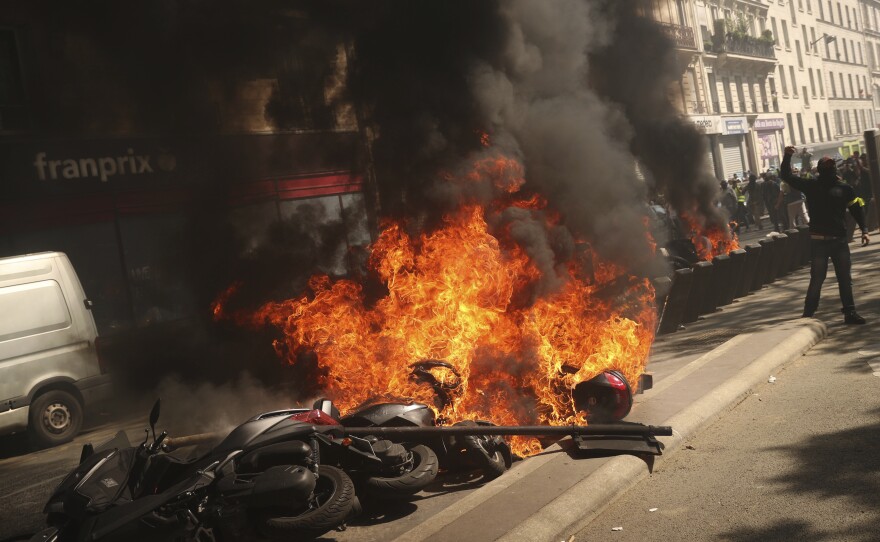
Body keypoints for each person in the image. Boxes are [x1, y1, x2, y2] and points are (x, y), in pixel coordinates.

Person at [781, 145, 870, 324]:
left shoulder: (811, 185)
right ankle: (849, 313)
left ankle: (808, 315)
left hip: (820, 241)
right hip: (837, 241)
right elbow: (856, 210)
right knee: (843, 279)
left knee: (818, 279)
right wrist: (864, 230)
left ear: (819, 171)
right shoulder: (844, 188)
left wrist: (788, 155)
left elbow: (787, 176)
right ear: (834, 170)